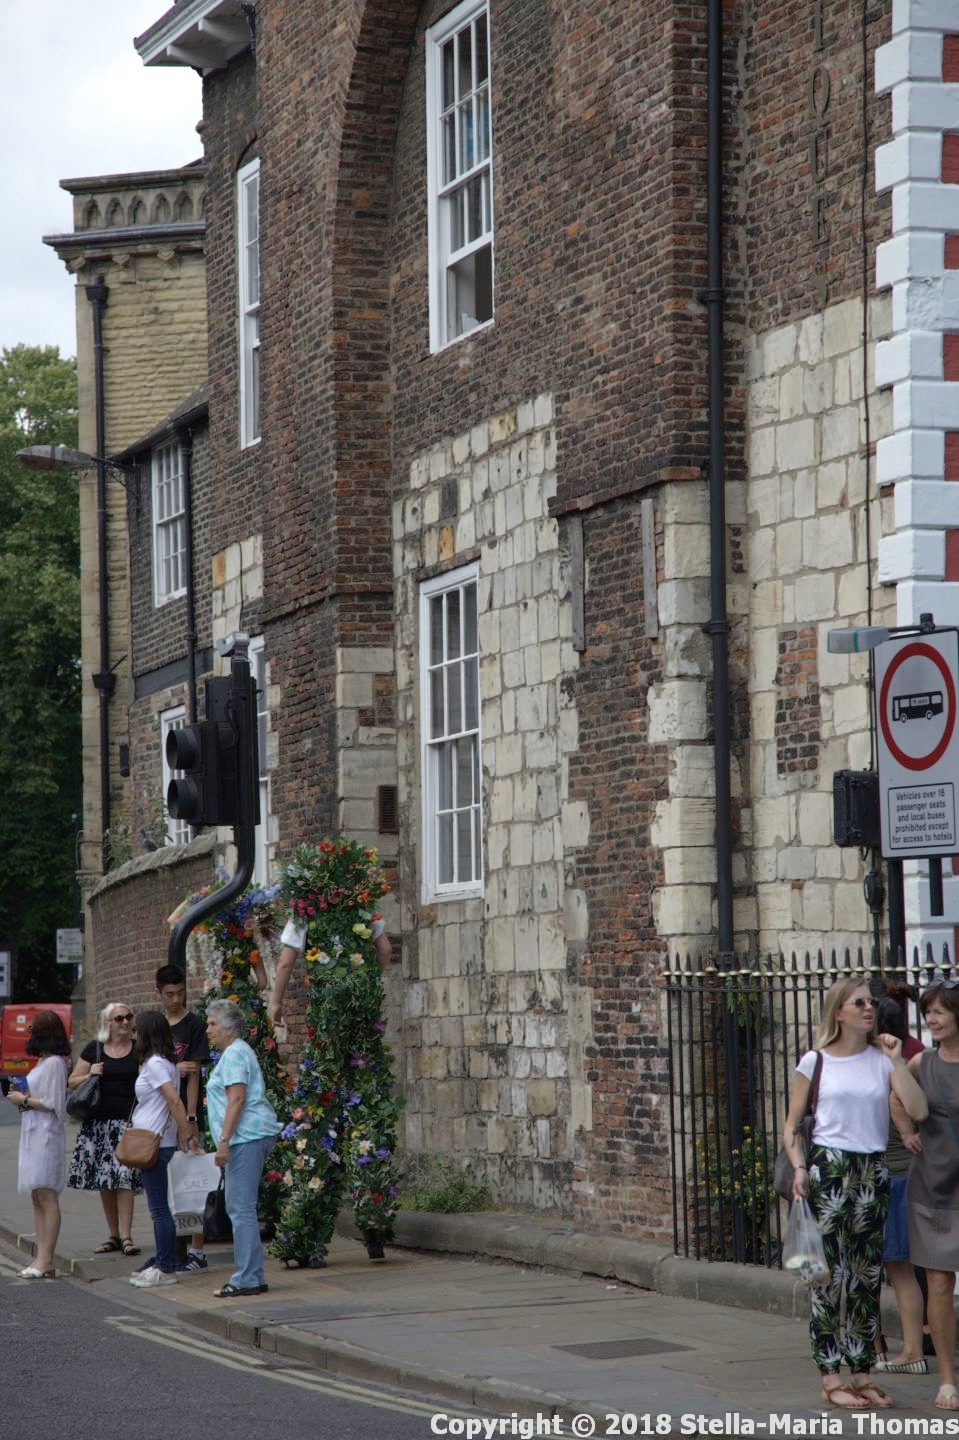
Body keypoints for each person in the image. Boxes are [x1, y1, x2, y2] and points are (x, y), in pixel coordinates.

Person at [782, 977, 928, 1411]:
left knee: (866, 1277)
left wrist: (897, 1061)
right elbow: (791, 1126)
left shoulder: (882, 1060)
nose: (869, 1008)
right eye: (859, 1002)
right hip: (829, 1168)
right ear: (839, 1012)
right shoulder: (816, 1061)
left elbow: (918, 1109)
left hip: (872, 1169)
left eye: (871, 1003)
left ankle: (861, 1372)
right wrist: (799, 1167)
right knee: (826, 1276)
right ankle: (830, 1375)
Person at [905, 981, 959, 1410]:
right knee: (938, 1283)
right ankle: (946, 1379)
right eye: (928, 1012)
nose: (931, 1019)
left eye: (939, 1011)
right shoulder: (920, 1063)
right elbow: (895, 1095)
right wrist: (906, 1132)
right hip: (933, 1185)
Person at [204, 999, 281, 1297]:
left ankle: (247, 1277)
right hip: (247, 1136)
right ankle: (252, 1274)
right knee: (240, 1206)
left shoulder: (235, 1053)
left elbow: (237, 1098)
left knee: (240, 1207)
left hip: (245, 1137)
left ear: (229, 1027)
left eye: (213, 1024)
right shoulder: (235, 1052)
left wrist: (223, 1141)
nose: (208, 1029)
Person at [874, 995, 926, 1375]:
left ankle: (901, 1349)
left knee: (883, 1269)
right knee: (903, 1270)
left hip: (888, 1175)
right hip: (906, 1174)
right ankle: (910, 1349)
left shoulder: (887, 1066)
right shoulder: (912, 1060)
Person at [127, 1009, 197, 1288]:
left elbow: (174, 1101)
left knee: (159, 1210)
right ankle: (161, 1261)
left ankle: (166, 1268)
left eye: (137, 1030)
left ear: (147, 1033)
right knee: (160, 1207)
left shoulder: (156, 1063)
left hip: (154, 1142)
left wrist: (187, 1132)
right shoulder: (164, 1062)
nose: (134, 1035)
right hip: (158, 1140)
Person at [67, 1001, 143, 1257]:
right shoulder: (95, 1049)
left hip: (128, 1124)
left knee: (125, 1179)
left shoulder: (138, 1049)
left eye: (128, 1017)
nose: (125, 1022)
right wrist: (91, 1074)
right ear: (108, 1023)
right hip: (99, 1126)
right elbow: (72, 1081)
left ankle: (127, 1236)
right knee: (105, 1182)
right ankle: (113, 1235)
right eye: (119, 1018)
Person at [5, 1009, 70, 1278]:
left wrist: (24, 1100)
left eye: (33, 1030)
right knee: (36, 1195)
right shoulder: (43, 1062)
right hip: (33, 1132)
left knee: (47, 1194)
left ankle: (46, 1259)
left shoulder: (55, 1063)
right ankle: (41, 1258)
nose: (29, 1034)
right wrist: (23, 1097)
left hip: (47, 1135)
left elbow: (55, 1104)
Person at [154, 963, 210, 1273]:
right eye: (169, 994)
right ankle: (172, 1248)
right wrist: (176, 1068)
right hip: (160, 1116)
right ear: (159, 994)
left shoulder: (194, 1025)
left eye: (180, 993)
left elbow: (195, 1075)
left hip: (186, 1110)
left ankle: (197, 1251)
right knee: (168, 1184)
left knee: (192, 1181)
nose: (175, 1000)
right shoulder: (155, 1027)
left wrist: (189, 1119)